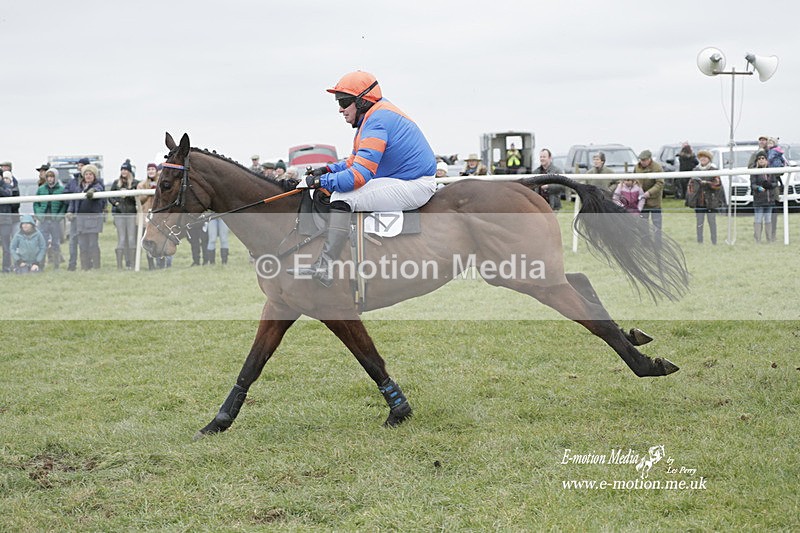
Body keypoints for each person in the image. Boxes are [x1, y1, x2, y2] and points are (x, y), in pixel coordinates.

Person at [290, 70, 437, 286]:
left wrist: (320, 182)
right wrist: (328, 170)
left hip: (415, 185)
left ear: (361, 102)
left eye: (344, 101)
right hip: (406, 179)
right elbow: (354, 162)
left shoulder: (376, 121)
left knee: (342, 197)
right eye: (338, 101)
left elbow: (357, 177)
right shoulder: (374, 116)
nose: (340, 108)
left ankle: (326, 265)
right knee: (340, 190)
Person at [67, 164, 105, 270]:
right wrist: (70, 211)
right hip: (80, 220)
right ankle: (85, 267)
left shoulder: (98, 185)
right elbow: (73, 201)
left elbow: (99, 189)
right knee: (82, 244)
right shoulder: (78, 188)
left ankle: (96, 266)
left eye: (90, 174)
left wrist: (93, 192)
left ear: (94, 176)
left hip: (93, 219)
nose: (88, 176)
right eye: (86, 174)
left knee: (93, 243)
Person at [686, 150, 722, 244]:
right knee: (699, 222)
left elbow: (717, 185)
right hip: (699, 201)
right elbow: (691, 185)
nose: (702, 159)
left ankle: (714, 241)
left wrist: (707, 183)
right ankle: (699, 241)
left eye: (705, 157)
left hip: (711, 201)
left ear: (709, 159)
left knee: (712, 222)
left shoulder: (714, 170)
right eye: (701, 157)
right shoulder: (695, 171)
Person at [34, 167, 67, 269]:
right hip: (43, 220)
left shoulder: (61, 190)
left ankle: (56, 266)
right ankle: (41, 266)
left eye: (52, 177)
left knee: (55, 243)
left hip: (55, 221)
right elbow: (36, 203)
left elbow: (64, 205)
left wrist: (59, 216)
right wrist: (39, 215)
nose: (49, 179)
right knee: (42, 243)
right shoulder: (41, 189)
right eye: (48, 176)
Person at [109, 159, 140, 269]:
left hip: (131, 214)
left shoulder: (135, 183)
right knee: (121, 239)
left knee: (131, 239)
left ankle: (132, 264)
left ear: (129, 172)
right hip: (119, 214)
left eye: (126, 170)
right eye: (122, 169)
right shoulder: (116, 183)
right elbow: (110, 196)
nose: (124, 172)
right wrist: (117, 203)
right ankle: (119, 265)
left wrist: (128, 194)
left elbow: (138, 198)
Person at [634, 149, 664, 246]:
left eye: (644, 160)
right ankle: (645, 243)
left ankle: (658, 243)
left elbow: (660, 183)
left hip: (654, 202)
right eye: (641, 160)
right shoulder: (637, 167)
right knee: (642, 224)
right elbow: (634, 180)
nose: (642, 162)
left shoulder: (657, 168)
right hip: (641, 202)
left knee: (657, 224)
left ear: (649, 159)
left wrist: (649, 193)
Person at [750, 150, 780, 243]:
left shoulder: (771, 171)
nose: (761, 160)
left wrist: (770, 185)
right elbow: (752, 184)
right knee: (758, 220)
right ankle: (757, 240)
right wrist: (759, 188)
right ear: (757, 161)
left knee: (768, 220)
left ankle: (769, 239)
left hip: (769, 200)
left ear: (766, 160)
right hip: (759, 200)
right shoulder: (754, 171)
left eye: (763, 158)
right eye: (759, 159)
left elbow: (775, 183)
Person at [0, 171, 15, 273]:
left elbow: (8, 194)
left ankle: (6, 268)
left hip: (5, 221)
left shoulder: (7, 186)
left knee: (6, 246)